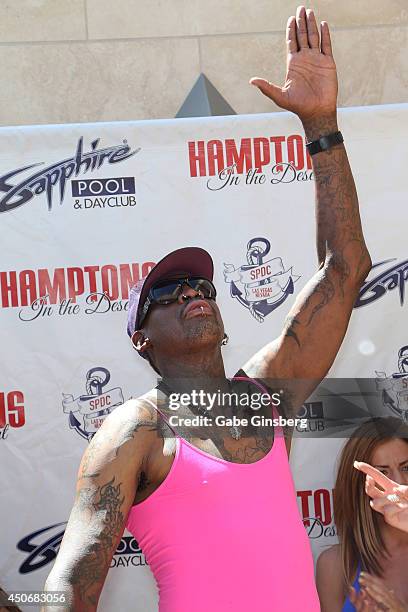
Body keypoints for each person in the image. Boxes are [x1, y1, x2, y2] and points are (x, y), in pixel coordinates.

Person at [42, 6, 371, 612]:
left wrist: (322, 125)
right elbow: (71, 588)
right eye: (168, 294)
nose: (192, 293)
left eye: (201, 286)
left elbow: (346, 269)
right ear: (141, 341)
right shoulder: (134, 432)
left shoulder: (267, 394)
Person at [316, 418, 408, 612]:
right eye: (382, 473)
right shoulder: (335, 565)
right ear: (359, 486)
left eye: (406, 468)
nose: (399, 482)